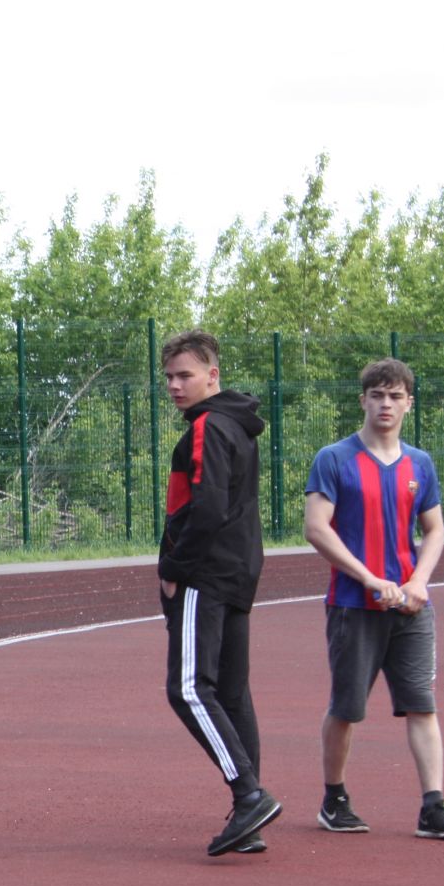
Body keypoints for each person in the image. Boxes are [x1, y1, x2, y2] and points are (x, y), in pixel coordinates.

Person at [303, 358, 444, 841]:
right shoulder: (334, 459)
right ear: (362, 400)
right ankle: (334, 798)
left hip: (412, 608)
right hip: (354, 606)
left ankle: (434, 806)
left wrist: (419, 580)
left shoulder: (419, 463)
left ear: (408, 404)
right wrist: (369, 578)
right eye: (377, 395)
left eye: (395, 396)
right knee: (347, 707)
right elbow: (316, 529)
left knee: (422, 704)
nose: (386, 404)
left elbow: (435, 528)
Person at [156, 331, 278, 857]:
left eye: (185, 375)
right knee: (231, 694)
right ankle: (247, 817)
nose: (175, 386)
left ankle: (249, 795)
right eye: (168, 378)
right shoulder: (238, 427)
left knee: (187, 688)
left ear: (213, 374)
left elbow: (205, 509)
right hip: (237, 573)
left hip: (205, 575)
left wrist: (174, 568)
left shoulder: (209, 428)